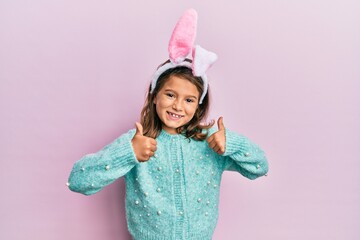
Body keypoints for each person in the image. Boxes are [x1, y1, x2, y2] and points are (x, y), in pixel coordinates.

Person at [67, 9, 269, 240]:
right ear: (155, 96)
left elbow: (260, 167)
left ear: (198, 107)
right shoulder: (137, 143)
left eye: (189, 100)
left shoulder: (210, 141)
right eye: (170, 95)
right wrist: (127, 153)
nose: (178, 106)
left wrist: (232, 143)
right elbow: (78, 181)